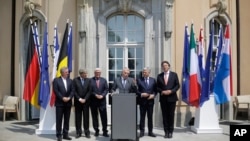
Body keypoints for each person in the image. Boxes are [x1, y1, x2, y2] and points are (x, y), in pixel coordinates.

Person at [157, 61, 180, 139]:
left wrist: (171, 91)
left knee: (171, 115)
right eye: (163, 66)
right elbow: (157, 87)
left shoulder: (174, 75)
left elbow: (177, 85)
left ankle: (171, 132)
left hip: (172, 98)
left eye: (166, 65)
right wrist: (162, 91)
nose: (164, 67)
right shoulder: (159, 76)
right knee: (164, 116)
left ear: (169, 66)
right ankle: (166, 132)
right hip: (163, 98)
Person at [53, 67, 74, 141]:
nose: (68, 73)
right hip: (59, 103)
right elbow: (56, 91)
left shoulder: (70, 81)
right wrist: (62, 98)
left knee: (67, 119)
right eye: (66, 72)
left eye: (68, 72)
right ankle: (59, 135)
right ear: (62, 72)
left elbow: (72, 91)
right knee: (59, 120)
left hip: (68, 103)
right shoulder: (56, 80)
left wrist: (69, 98)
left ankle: (65, 134)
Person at [136, 67, 157, 138]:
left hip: (150, 102)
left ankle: (150, 132)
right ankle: (142, 132)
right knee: (142, 117)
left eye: (145, 72)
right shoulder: (139, 80)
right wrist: (141, 94)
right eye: (143, 72)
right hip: (142, 102)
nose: (143, 73)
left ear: (149, 72)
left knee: (150, 117)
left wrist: (153, 95)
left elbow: (155, 90)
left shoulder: (153, 80)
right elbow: (136, 90)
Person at [89, 68, 109, 137]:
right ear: (94, 73)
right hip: (93, 101)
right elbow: (90, 90)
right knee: (95, 117)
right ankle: (96, 130)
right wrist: (95, 95)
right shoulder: (90, 80)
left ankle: (105, 131)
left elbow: (106, 89)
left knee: (104, 117)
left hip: (102, 101)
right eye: (96, 72)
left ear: (100, 73)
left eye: (99, 72)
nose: (98, 73)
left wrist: (102, 95)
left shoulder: (104, 80)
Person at [72, 69, 92, 138]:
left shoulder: (89, 80)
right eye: (85, 73)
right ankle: (78, 132)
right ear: (81, 74)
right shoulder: (75, 80)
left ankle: (87, 132)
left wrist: (85, 99)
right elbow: (74, 91)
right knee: (78, 118)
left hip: (86, 102)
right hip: (78, 102)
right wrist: (79, 99)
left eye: (86, 73)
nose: (86, 75)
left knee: (86, 118)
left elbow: (90, 91)